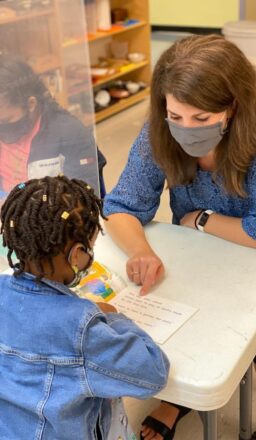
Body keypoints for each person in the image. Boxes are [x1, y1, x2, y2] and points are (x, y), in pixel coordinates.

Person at [103, 35, 256, 440]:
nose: (185, 129)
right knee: (175, 309)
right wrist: (140, 251)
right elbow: (120, 206)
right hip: (199, 251)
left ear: (231, 109)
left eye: (201, 119)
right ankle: (177, 399)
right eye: (175, 116)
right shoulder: (158, 130)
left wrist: (200, 220)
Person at [0, 175, 170, 440]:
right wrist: (112, 317)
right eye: (90, 247)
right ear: (77, 255)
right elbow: (153, 372)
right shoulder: (82, 328)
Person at [0, 55, 107, 198]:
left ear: (31, 104)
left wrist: (19, 208)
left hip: (43, 215)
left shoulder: (70, 135)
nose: (3, 127)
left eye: (7, 120)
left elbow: (83, 199)